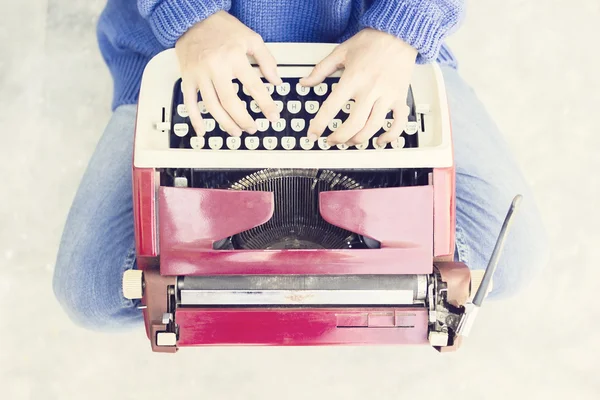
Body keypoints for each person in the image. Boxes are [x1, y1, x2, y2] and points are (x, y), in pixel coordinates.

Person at [53, 0, 548, 330]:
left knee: (510, 261)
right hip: (185, 46)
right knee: (90, 291)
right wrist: (190, 15)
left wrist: (404, 26)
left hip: (374, 47)